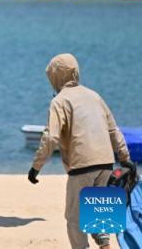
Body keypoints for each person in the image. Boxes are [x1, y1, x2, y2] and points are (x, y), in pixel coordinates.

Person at [28, 53, 133, 249]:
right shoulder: (95, 96)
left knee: (75, 220)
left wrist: (36, 167)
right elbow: (113, 129)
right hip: (106, 164)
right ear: (75, 72)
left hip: (81, 166)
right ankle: (105, 246)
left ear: (55, 76)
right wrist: (125, 157)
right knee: (100, 213)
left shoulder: (59, 101)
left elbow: (51, 137)